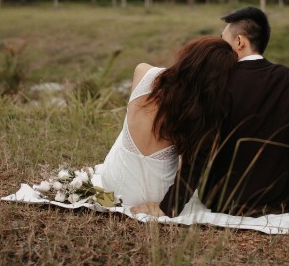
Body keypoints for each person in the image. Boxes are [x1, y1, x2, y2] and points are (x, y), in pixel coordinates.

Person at [133, 6, 289, 217]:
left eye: (223, 39)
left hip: (224, 201)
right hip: (279, 201)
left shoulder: (218, 81)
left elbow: (200, 152)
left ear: (240, 42)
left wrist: (169, 207)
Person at [96, 36, 237, 206]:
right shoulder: (199, 114)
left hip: (114, 186)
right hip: (158, 196)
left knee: (129, 131)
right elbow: (193, 167)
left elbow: (171, 80)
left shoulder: (143, 71)